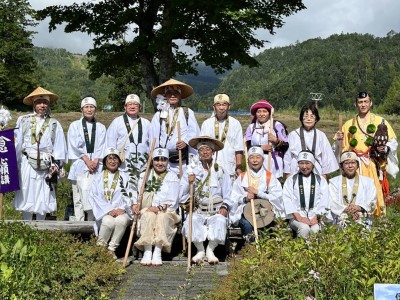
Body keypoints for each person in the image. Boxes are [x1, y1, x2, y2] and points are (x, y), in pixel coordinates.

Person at [335, 92, 398, 216]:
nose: (363, 105)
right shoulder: (348, 124)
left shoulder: (381, 121)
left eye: (365, 102)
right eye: (360, 102)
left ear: (371, 103)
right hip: (354, 165)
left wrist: (384, 148)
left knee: (373, 192)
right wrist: (338, 140)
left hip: (372, 164)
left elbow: (393, 142)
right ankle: (353, 217)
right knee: (354, 191)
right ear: (356, 104)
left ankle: (375, 218)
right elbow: (341, 149)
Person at [14, 87, 68, 220]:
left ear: (48, 105)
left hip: (46, 164)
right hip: (27, 162)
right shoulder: (24, 120)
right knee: (27, 192)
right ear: (34, 104)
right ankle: (26, 225)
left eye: (45, 102)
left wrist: (56, 164)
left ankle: (42, 226)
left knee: (43, 195)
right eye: (39, 102)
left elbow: (60, 146)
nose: (42, 105)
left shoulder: (54, 124)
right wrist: (14, 163)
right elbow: (18, 142)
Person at [181, 136, 232, 264]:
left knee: (219, 221)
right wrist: (189, 182)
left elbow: (228, 194)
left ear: (213, 152)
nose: (205, 152)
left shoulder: (220, 171)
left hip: (216, 210)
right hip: (199, 210)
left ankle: (210, 250)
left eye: (208, 149)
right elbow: (181, 195)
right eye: (202, 150)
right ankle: (200, 250)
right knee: (191, 221)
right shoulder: (191, 171)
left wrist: (224, 207)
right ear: (198, 153)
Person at [132, 148, 181, 266]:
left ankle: (158, 251)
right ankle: (148, 251)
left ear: (168, 161)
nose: (160, 163)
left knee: (162, 217)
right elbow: (137, 193)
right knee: (148, 216)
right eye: (157, 160)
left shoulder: (172, 176)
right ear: (152, 161)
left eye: (163, 160)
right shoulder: (145, 175)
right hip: (147, 209)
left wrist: (158, 208)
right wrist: (135, 204)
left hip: (166, 211)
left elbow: (173, 200)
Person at [230, 146, 284, 241]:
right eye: (252, 157)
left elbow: (277, 197)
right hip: (246, 213)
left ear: (263, 159)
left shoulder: (269, 177)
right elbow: (233, 197)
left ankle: (266, 250)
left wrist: (259, 193)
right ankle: (251, 249)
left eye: (258, 157)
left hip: (265, 212)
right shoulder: (242, 177)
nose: (255, 160)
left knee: (267, 226)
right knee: (247, 225)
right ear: (248, 160)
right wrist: (245, 198)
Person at [89, 147, 134, 259]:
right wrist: (108, 210)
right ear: (105, 161)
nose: (112, 161)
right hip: (105, 212)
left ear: (119, 161)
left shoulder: (126, 176)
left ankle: (111, 249)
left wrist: (123, 208)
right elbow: (94, 196)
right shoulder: (98, 178)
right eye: (110, 158)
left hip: (122, 211)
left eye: (115, 159)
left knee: (121, 220)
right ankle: (100, 249)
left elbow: (131, 194)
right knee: (108, 222)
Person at [67, 97, 106, 221]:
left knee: (94, 194)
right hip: (80, 163)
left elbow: (103, 145)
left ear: (95, 109)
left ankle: (92, 221)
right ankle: (79, 221)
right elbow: (74, 144)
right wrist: (86, 160)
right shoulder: (75, 125)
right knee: (78, 196)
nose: (89, 109)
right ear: (82, 109)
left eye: (92, 107)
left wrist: (95, 160)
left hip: (96, 165)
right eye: (86, 107)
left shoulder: (101, 127)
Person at [150, 79, 200, 175]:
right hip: (164, 160)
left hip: (182, 160)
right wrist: (155, 157)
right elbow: (153, 137)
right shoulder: (159, 115)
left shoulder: (187, 112)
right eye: (169, 93)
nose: (172, 96)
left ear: (180, 95)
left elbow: (194, 132)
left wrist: (185, 142)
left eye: (176, 93)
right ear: (165, 96)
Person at [282, 150, 330, 239]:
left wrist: (317, 217)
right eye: (301, 163)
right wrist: (299, 217)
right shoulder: (291, 180)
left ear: (313, 164)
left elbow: (325, 199)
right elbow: (287, 199)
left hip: (316, 216)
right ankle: (301, 251)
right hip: (297, 217)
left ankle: (315, 252)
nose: (304, 167)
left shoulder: (320, 180)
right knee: (304, 228)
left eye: (307, 163)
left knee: (316, 229)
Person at [283, 103, 339, 179]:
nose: (309, 119)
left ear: (316, 119)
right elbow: (287, 155)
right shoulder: (293, 134)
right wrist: (287, 174)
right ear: (301, 119)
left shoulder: (321, 135)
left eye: (312, 116)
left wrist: (325, 175)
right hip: (296, 169)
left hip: (315, 169)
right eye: (306, 116)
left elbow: (326, 156)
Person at [200, 93, 243, 183]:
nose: (221, 108)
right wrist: (204, 165)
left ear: (229, 107)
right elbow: (202, 147)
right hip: (211, 165)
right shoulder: (206, 123)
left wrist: (238, 167)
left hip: (229, 165)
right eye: (218, 104)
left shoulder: (235, 123)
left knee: (229, 195)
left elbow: (239, 148)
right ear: (214, 107)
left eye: (224, 104)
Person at [329, 151, 377, 227]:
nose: (350, 166)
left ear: (357, 165)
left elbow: (372, 200)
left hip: (361, 218)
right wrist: (347, 210)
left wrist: (359, 208)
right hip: (341, 219)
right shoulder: (334, 182)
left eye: (353, 162)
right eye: (346, 163)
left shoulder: (368, 182)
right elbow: (332, 201)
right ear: (342, 166)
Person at [106, 94, 151, 172]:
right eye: (130, 104)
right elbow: (110, 143)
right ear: (125, 107)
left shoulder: (146, 123)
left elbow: (151, 144)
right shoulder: (117, 122)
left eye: (135, 104)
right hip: (123, 167)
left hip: (143, 167)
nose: (132, 107)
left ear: (140, 107)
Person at [245, 99, 289, 179]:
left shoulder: (276, 125)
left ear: (269, 113)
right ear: (255, 114)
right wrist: (260, 148)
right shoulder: (251, 127)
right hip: (256, 162)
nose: (261, 114)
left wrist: (276, 140)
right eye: (259, 112)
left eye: (264, 111)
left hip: (273, 161)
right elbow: (247, 146)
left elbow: (286, 145)